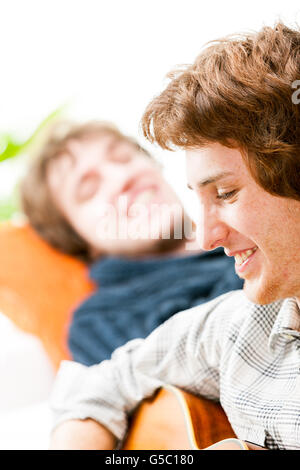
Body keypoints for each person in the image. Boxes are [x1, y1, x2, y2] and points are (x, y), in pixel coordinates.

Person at [49, 21, 300, 450]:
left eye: (225, 193)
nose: (207, 236)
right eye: (89, 188)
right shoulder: (237, 321)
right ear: (78, 238)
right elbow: (102, 385)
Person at [21, 121, 242, 365]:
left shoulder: (249, 225)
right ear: (78, 240)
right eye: (89, 189)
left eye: (123, 157)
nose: (122, 178)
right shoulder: (99, 321)